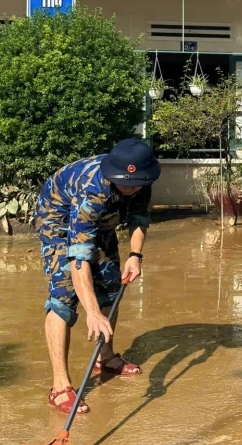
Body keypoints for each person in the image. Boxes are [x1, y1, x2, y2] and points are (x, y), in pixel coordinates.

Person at [34, 137, 160, 415]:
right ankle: (59, 386)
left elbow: (139, 218)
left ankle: (106, 357)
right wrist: (91, 311)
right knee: (64, 296)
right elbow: (79, 257)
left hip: (102, 223)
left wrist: (135, 256)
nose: (130, 188)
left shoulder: (142, 181)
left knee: (112, 284)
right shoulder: (92, 189)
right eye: (124, 183)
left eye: (135, 183)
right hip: (58, 220)